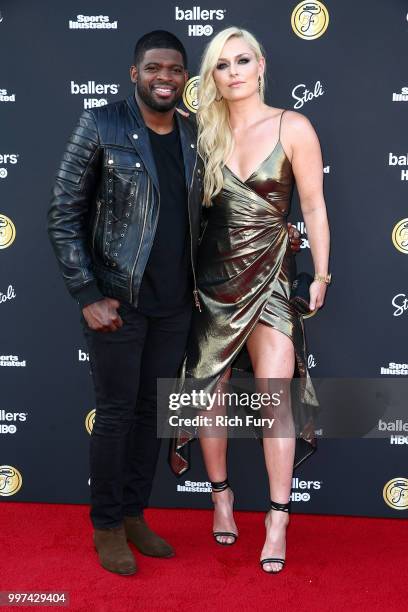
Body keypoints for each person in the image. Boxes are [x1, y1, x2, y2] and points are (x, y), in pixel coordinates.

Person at [48, 29, 300, 576]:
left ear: (186, 79)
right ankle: (108, 525)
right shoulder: (101, 124)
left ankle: (136, 514)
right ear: (134, 73)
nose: (165, 77)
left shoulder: (192, 135)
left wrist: (281, 240)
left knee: (151, 417)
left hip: (176, 307)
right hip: (118, 301)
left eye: (175, 69)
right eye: (154, 68)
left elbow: (212, 218)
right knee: (116, 416)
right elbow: (63, 213)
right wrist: (87, 294)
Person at [172, 27, 330, 574]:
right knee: (209, 396)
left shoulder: (294, 126)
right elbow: (192, 218)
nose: (234, 70)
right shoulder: (204, 135)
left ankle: (279, 518)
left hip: (272, 281)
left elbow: (313, 207)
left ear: (260, 65)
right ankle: (221, 498)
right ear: (212, 77)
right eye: (222, 64)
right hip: (213, 284)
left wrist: (322, 275)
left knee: (274, 400)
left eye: (243, 60)